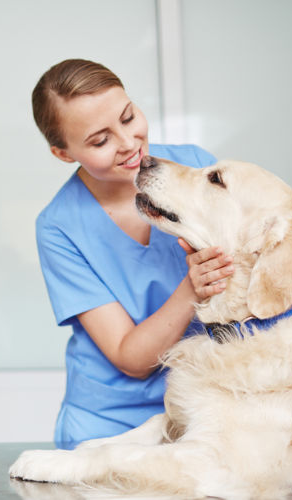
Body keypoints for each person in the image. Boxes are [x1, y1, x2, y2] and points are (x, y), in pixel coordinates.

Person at [32, 59, 235, 449]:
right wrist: (193, 288)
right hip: (111, 429)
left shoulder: (194, 166)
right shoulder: (59, 226)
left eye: (128, 117)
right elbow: (131, 358)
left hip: (206, 411)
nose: (128, 143)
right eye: (99, 140)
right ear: (63, 153)